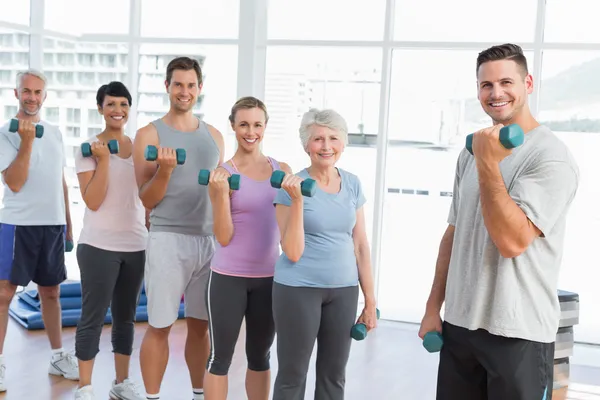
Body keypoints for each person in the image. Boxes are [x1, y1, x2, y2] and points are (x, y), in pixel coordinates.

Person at [418, 43, 579, 400]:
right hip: (461, 325)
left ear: (528, 84)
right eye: (486, 85)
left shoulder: (550, 157)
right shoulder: (471, 150)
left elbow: (511, 242)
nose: (496, 93)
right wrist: (433, 308)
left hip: (518, 331)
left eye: (506, 82)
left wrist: (489, 163)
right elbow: (454, 234)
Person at [133, 56, 225, 400]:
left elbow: (220, 194)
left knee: (200, 328)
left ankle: (199, 394)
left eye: (191, 85)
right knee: (160, 326)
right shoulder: (149, 134)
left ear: (200, 88)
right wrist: (166, 171)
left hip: (208, 241)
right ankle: (153, 397)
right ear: (167, 87)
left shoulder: (214, 136)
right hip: (167, 238)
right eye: (178, 85)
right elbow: (146, 199)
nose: (184, 92)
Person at [271, 108, 378, 400]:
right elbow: (292, 251)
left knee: (334, 376)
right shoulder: (290, 187)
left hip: (343, 290)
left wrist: (370, 300)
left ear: (343, 143)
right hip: (298, 289)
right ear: (306, 145)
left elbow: (361, 245)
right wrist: (297, 201)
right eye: (318, 139)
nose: (326, 146)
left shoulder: (353, 183)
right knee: (293, 375)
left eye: (333, 138)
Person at [203, 96, 291, 400]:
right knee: (220, 358)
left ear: (265, 127)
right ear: (233, 126)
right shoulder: (222, 174)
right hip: (228, 277)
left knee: (260, 356)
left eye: (256, 124)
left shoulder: (282, 170)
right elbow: (224, 237)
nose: (250, 131)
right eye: (243, 124)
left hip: (269, 279)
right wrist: (219, 194)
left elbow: (289, 234)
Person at [0, 69, 79, 391]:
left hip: (53, 224)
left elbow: (59, 181)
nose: (32, 97)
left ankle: (58, 355)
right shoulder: (7, 132)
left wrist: (69, 225)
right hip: (18, 224)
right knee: (4, 294)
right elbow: (15, 182)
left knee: (51, 292)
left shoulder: (56, 132)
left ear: (44, 97)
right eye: (26, 91)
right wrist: (27, 141)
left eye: (38, 92)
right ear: (16, 93)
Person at [73, 82, 147, 400]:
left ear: (130, 108)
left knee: (125, 317)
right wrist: (104, 161)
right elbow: (92, 200)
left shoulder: (142, 150)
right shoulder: (88, 148)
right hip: (98, 246)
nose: (117, 109)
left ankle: (121, 382)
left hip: (135, 245)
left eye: (123, 104)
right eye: (111, 103)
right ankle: (85, 387)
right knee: (93, 315)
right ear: (100, 108)